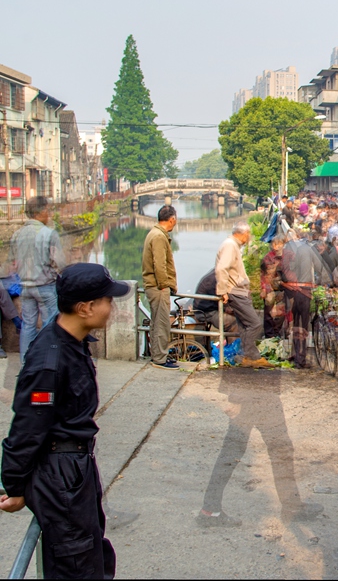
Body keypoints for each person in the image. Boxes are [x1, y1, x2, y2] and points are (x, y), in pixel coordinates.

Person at [1, 263, 127, 579]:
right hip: (61, 478)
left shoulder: (74, 342)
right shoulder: (49, 361)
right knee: (76, 564)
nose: (111, 307)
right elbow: (27, 427)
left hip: (77, 469)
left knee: (94, 554)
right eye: (107, 300)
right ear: (85, 308)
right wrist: (15, 485)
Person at [13, 196, 66, 360]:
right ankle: (47, 364)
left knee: (28, 326)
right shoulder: (49, 233)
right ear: (41, 211)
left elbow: (15, 261)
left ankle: (25, 365)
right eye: (47, 210)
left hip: (25, 287)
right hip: (45, 286)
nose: (49, 214)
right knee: (50, 325)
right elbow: (59, 262)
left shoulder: (17, 234)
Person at [216, 223, 268, 368]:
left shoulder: (233, 245)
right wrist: (222, 291)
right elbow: (221, 268)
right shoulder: (230, 245)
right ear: (244, 234)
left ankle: (247, 355)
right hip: (235, 291)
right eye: (248, 234)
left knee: (245, 324)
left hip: (239, 291)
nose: (249, 237)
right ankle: (251, 355)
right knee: (255, 324)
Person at [281, 230, 333, 368]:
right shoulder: (308, 250)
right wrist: (328, 283)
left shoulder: (286, 249)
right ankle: (301, 359)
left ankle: (294, 353)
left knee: (293, 323)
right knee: (303, 326)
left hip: (290, 292)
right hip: (304, 292)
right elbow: (320, 268)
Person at [141, 205, 179, 370]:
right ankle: (160, 358)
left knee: (157, 322)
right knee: (162, 323)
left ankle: (157, 355)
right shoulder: (158, 236)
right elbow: (159, 265)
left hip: (154, 286)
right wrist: (164, 285)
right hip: (158, 287)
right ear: (172, 219)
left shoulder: (155, 233)